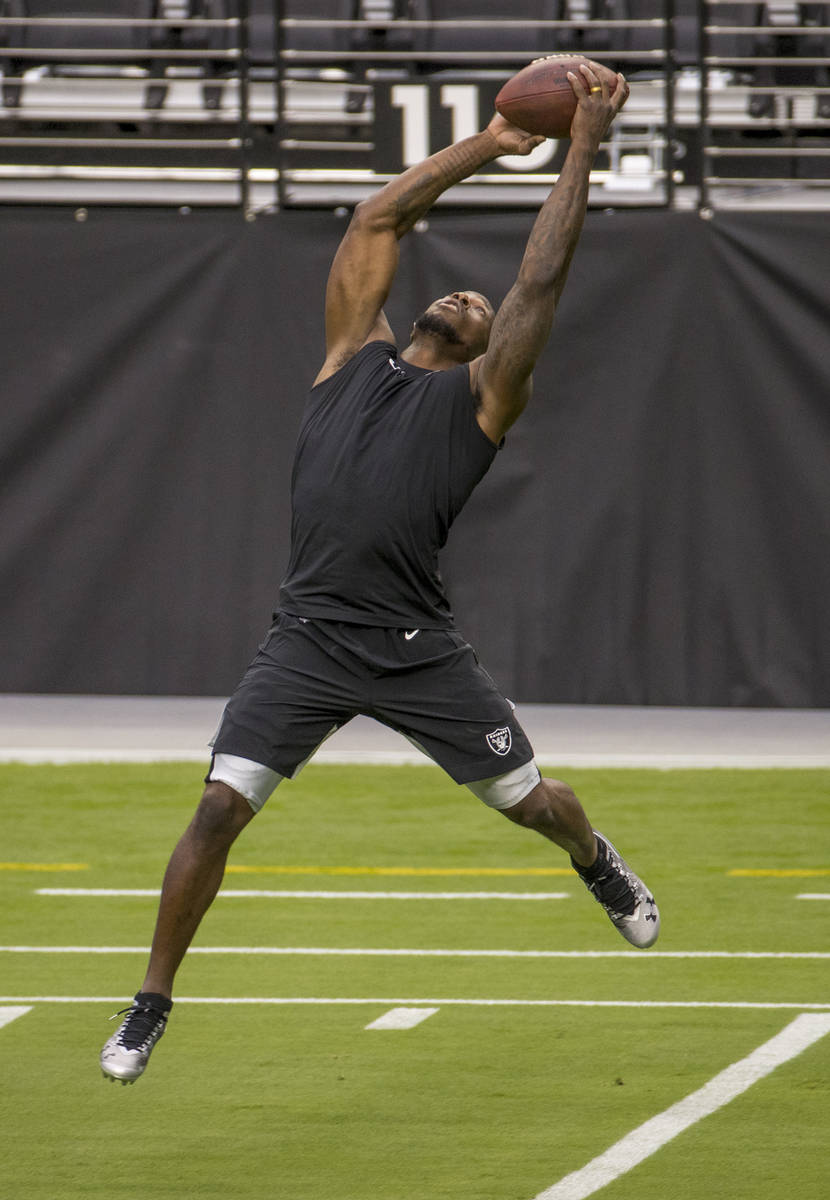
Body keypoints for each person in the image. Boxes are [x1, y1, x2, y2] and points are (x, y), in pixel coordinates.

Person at [101, 61, 658, 1086]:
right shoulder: (345, 360)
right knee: (218, 808)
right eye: (455, 289)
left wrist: (579, 141)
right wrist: (490, 146)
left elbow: (539, 278)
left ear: (494, 346)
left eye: (478, 304)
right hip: (307, 638)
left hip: (413, 651)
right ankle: (150, 1001)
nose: (464, 294)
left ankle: (595, 863)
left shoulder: (487, 401)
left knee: (536, 804)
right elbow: (373, 222)